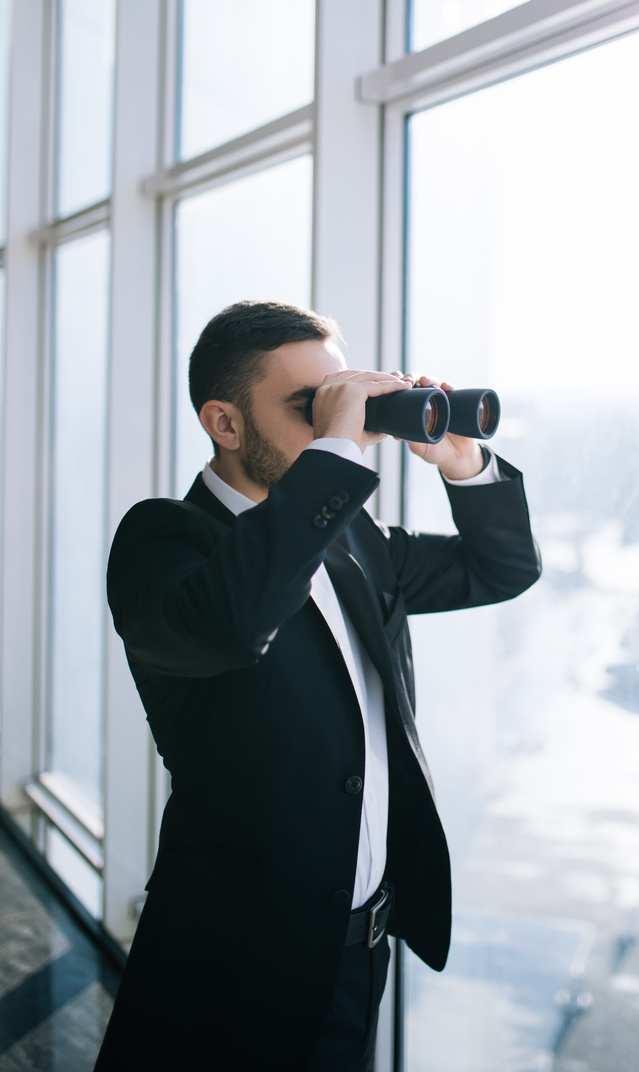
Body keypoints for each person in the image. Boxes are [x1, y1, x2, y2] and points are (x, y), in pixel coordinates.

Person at [94, 300, 540, 1071]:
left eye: (344, 399)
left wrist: (461, 461)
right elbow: (234, 623)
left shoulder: (352, 543)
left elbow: (499, 568)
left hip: (358, 957)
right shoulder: (162, 542)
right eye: (312, 407)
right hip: (229, 969)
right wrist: (334, 450)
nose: (346, 421)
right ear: (225, 424)